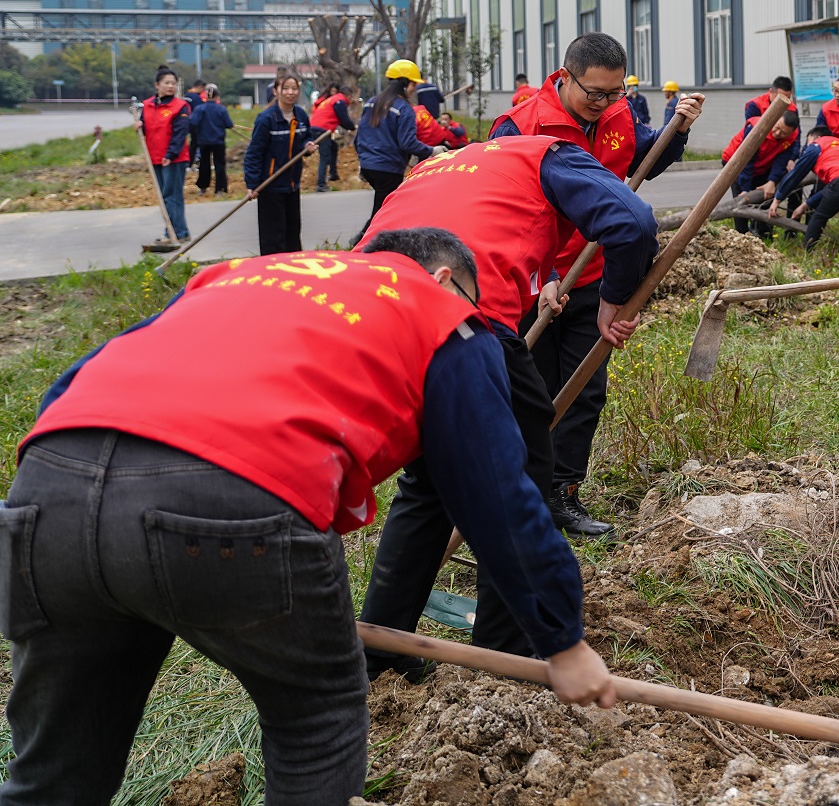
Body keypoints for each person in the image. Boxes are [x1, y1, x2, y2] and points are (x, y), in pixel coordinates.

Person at [0, 230, 617, 805]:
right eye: (470, 299)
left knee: (54, 771)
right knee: (315, 724)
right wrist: (561, 639)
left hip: (48, 489)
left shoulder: (238, 276)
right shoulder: (441, 316)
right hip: (232, 501)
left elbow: (75, 381)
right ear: (441, 276)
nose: (475, 315)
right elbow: (497, 494)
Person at [354, 134, 658, 674]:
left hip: (368, 318)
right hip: (462, 321)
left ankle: (380, 648)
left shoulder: (439, 168)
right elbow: (632, 223)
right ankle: (503, 654)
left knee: (427, 486)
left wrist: (543, 282)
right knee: (518, 475)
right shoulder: (548, 155)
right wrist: (612, 299)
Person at [492, 35, 704, 536]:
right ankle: (522, 495)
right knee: (534, 391)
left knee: (585, 390)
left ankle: (564, 493)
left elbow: (641, 161)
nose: (605, 104)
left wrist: (677, 128)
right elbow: (503, 215)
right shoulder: (518, 126)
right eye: (595, 94)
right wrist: (542, 278)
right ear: (564, 77)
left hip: (598, 274)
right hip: (535, 279)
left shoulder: (618, 115)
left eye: (616, 93)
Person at [354, 60, 437, 224]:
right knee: (382, 215)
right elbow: (408, 143)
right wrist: (432, 151)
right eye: (414, 84)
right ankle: (362, 243)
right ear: (405, 83)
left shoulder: (372, 102)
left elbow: (359, 137)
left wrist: (364, 160)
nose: (414, 89)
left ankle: (367, 242)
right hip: (388, 169)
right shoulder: (404, 108)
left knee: (383, 209)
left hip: (369, 166)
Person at [244, 74, 318, 256]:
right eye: (285, 88)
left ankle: (293, 271)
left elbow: (305, 136)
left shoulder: (300, 115)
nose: (290, 93)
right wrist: (252, 184)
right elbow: (254, 153)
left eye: (294, 89)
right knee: (273, 237)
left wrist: (307, 146)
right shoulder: (266, 119)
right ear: (276, 91)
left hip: (292, 184)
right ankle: (272, 273)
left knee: (292, 234)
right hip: (270, 185)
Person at [774, 134, 839, 251]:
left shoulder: (816, 145)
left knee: (820, 216)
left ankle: (808, 251)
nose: (806, 146)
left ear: (814, 137)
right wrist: (806, 205)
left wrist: (778, 198)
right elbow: (832, 188)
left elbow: (796, 174)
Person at [722, 112, 799, 238]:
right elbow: (746, 160)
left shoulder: (792, 137)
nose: (778, 133)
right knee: (741, 200)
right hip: (735, 162)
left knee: (766, 196)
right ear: (774, 120)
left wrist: (772, 181)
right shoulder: (757, 128)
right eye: (777, 127)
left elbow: (781, 160)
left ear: (791, 132)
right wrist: (745, 189)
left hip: (763, 165)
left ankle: (764, 233)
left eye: (784, 132)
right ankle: (742, 235)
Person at [139, 67, 193, 246]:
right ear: (157, 85)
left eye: (173, 83)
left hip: (174, 158)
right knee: (166, 196)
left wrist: (170, 154)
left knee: (172, 196)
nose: (171, 86)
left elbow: (180, 133)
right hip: (155, 157)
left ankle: (173, 233)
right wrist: (140, 125)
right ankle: (181, 231)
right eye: (167, 83)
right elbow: (147, 128)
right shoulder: (147, 105)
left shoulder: (180, 106)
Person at [310, 83, 358, 192]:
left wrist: (349, 127)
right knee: (325, 156)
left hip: (316, 127)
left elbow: (338, 119)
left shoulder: (333, 99)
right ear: (349, 96)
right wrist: (352, 127)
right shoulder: (340, 101)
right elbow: (344, 119)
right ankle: (321, 184)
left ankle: (333, 174)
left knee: (333, 147)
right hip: (322, 130)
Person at [189, 83, 233, 196]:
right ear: (217, 96)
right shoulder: (221, 109)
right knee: (220, 165)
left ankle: (203, 187)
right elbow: (229, 124)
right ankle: (220, 189)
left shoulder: (199, 109)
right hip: (218, 141)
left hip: (203, 141)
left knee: (204, 164)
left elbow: (193, 122)